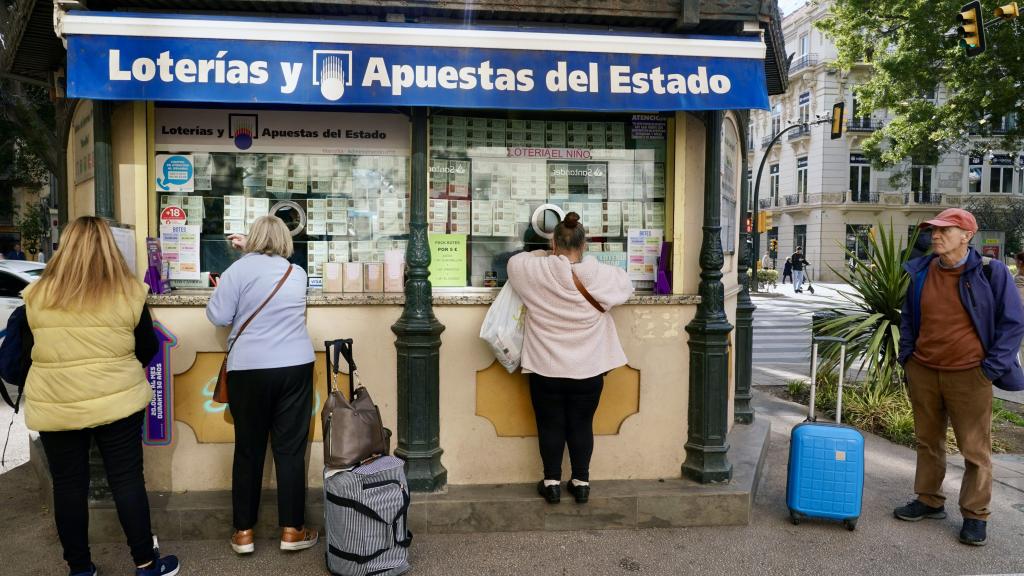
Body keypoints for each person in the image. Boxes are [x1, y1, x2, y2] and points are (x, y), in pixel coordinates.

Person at [19, 217, 180, 576]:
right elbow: (148, 346)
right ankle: (145, 563)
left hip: (56, 402)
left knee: (68, 486)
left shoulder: (36, 295)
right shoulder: (128, 292)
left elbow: (29, 351)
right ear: (110, 247)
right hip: (117, 399)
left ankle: (79, 568)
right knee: (126, 480)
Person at [896, 208, 1024, 546]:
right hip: (923, 370)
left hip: (970, 375)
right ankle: (928, 499)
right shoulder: (921, 271)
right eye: (933, 231)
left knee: (974, 448)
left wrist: (990, 369)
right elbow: (908, 318)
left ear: (967, 236)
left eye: (944, 230)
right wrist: (907, 358)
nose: (935, 236)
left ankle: (975, 514)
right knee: (927, 440)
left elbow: (1013, 323)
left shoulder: (990, 272)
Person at [206, 215, 318, 555]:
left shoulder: (236, 272)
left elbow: (218, 316)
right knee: (289, 451)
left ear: (251, 239)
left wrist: (225, 286)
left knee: (249, 450)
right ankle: (292, 530)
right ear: (285, 240)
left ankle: (243, 533)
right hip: (295, 366)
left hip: (249, 370)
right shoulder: (296, 274)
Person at [507, 212, 634, 505]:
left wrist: (549, 253)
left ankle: (551, 482)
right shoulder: (598, 273)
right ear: (584, 244)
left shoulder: (536, 271)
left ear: (554, 244)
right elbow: (626, 286)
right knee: (581, 423)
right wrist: (581, 261)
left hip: (544, 367)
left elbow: (515, 262)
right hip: (588, 369)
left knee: (549, 424)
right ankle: (581, 482)